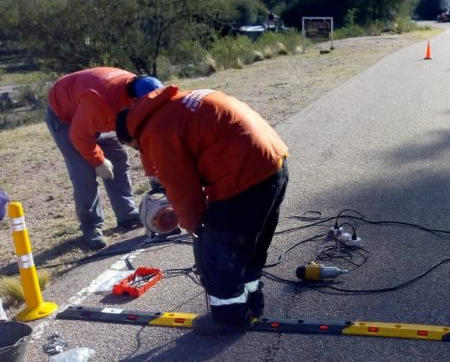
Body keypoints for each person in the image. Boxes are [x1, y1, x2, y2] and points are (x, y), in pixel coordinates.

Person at [115, 86, 289, 335]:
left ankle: (228, 318)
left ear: (132, 136)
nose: (139, 151)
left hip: (243, 178)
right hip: (274, 164)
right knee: (251, 242)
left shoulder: (157, 131)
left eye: (135, 147)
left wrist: (195, 227)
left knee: (218, 251)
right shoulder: (175, 103)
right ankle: (252, 300)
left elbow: (183, 189)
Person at [46, 67, 164, 250]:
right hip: (67, 118)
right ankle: (91, 226)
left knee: (117, 158)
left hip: (94, 110)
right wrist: (98, 161)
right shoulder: (100, 102)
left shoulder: (138, 89)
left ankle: (126, 213)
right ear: (134, 101)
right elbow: (79, 136)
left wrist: (154, 174)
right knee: (84, 173)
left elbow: (143, 136)